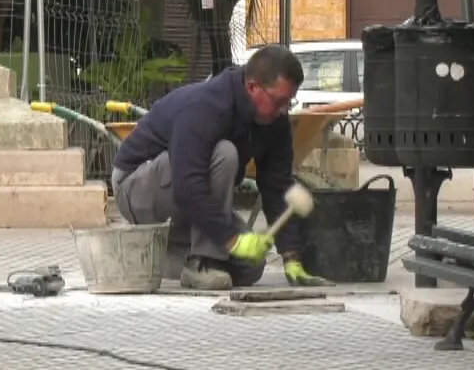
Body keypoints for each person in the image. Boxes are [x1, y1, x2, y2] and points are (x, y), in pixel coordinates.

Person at [109, 44, 333, 291]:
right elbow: (187, 184)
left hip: (186, 197)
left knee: (250, 267)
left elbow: (277, 185)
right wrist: (230, 238)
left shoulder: (273, 120)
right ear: (252, 87)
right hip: (135, 187)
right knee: (224, 153)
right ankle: (202, 263)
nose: (283, 111)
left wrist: (292, 258)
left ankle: (148, 257)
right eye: (279, 101)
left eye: (289, 102)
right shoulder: (206, 106)